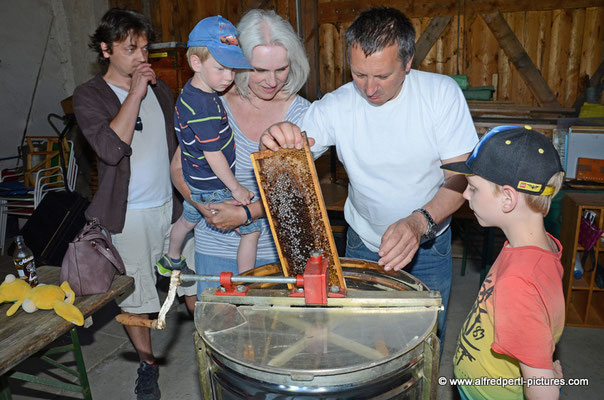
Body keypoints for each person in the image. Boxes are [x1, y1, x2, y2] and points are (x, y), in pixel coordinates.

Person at [260, 6, 478, 341]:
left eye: (382, 76)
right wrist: (274, 141)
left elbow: (462, 177)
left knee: (424, 343)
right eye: (359, 74)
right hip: (363, 244)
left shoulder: (440, 95)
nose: (369, 88)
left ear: (407, 62)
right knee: (359, 340)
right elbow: (287, 157)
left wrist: (419, 222)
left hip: (428, 245)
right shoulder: (337, 105)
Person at [73, 8, 196, 400]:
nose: (142, 57)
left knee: (194, 280)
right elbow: (110, 149)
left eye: (145, 48)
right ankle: (147, 366)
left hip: (171, 208)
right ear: (106, 49)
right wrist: (136, 93)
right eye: (131, 48)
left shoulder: (161, 89)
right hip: (128, 217)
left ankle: (214, 349)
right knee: (139, 299)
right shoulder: (89, 95)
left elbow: (177, 147)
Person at [170, 9, 310, 297]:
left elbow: (299, 196)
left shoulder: (304, 113)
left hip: (277, 253)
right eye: (259, 69)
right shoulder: (213, 100)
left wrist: (245, 214)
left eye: (281, 69)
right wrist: (207, 210)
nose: (272, 81)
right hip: (214, 246)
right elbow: (178, 168)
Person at [443, 125, 565, 399]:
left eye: (473, 188)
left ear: (508, 198)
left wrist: (544, 378)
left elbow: (543, 392)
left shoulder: (518, 282)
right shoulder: (536, 246)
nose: (465, 195)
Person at [156, 16, 260, 277]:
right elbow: (213, 155)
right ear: (196, 63)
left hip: (195, 182)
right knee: (251, 230)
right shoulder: (205, 108)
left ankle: (171, 258)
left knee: (187, 220)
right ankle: (245, 283)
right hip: (214, 186)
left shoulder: (189, 94)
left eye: (233, 69)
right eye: (221, 68)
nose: (229, 77)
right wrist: (236, 189)